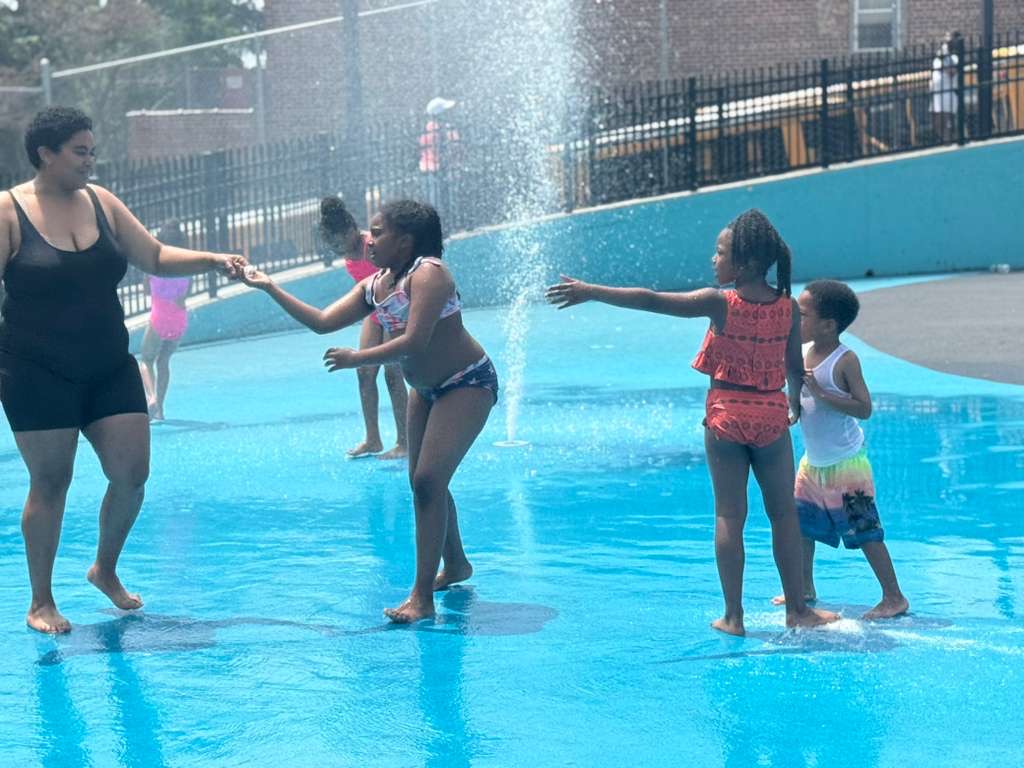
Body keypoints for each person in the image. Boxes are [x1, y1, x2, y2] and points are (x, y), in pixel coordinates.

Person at [0, 107, 245, 634]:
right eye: (79, 152)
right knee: (51, 481)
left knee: (132, 474)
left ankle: (104, 568)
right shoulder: (8, 211)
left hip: (108, 363)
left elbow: (153, 255)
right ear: (45, 153)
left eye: (92, 151)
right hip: (35, 371)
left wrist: (212, 259)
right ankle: (41, 601)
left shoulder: (101, 202)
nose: (90, 161)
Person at [547, 209, 838, 636]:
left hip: (726, 415)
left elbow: (650, 299)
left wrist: (592, 291)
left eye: (720, 253)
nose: (713, 259)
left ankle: (733, 617)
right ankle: (797, 610)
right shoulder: (788, 307)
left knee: (729, 516)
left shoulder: (719, 302)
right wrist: (793, 404)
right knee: (783, 516)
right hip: (770, 416)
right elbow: (794, 365)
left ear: (744, 263)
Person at [240, 200, 497, 623]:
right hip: (425, 390)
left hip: (467, 382)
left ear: (405, 241)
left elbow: (414, 341)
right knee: (424, 481)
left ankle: (421, 597)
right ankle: (455, 564)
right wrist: (268, 287)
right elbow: (322, 321)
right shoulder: (376, 284)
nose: (369, 241)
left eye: (378, 233)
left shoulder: (429, 274)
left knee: (428, 481)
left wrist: (356, 359)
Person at [771, 280, 909, 619]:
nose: (794, 321)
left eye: (802, 315)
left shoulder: (845, 360)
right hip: (813, 464)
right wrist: (791, 411)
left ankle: (894, 596)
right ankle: (804, 586)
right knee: (801, 526)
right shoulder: (802, 353)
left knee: (865, 530)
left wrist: (821, 393)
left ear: (829, 325)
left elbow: (864, 408)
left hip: (847, 466)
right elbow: (797, 395)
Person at [319, 196, 408, 460]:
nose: (339, 250)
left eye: (340, 243)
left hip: (394, 307)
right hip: (375, 310)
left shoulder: (372, 245)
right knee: (364, 372)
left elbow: (398, 273)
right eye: (333, 247)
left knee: (393, 374)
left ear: (351, 230)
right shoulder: (349, 253)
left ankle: (405, 441)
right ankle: (373, 439)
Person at [137, 220, 191, 421]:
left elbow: (146, 290)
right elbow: (184, 296)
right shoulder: (186, 267)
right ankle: (160, 409)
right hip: (179, 319)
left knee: (146, 359)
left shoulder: (154, 266)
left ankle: (151, 397)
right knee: (164, 361)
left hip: (159, 317)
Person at [930, 31, 961, 143]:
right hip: (937, 93)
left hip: (947, 93)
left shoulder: (955, 58)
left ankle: (949, 142)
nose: (947, 42)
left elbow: (952, 72)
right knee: (936, 123)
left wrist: (944, 62)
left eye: (950, 40)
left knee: (946, 122)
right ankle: (945, 141)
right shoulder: (940, 56)